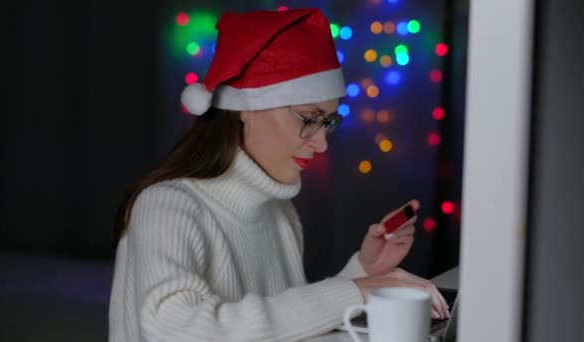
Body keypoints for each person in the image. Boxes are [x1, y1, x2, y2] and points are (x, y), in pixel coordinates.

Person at [109, 7, 449, 342]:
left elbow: (282, 327)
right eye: (308, 118)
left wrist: (363, 271)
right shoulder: (166, 206)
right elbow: (174, 329)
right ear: (246, 109)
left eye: (328, 121)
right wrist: (354, 291)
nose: (321, 144)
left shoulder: (279, 213)